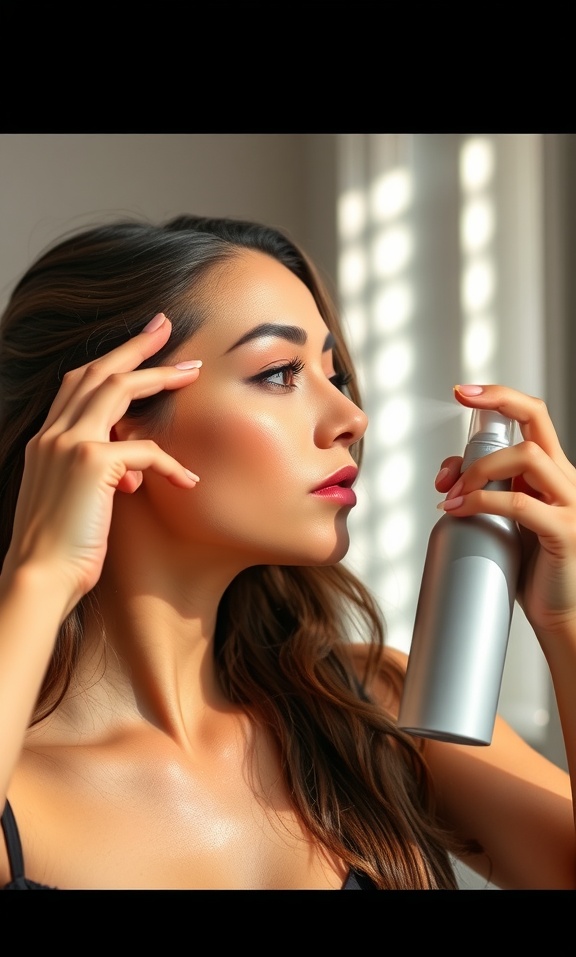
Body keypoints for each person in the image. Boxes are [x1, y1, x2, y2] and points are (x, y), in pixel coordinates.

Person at [0, 213, 573, 892]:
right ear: (114, 426)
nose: (351, 419)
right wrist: (39, 577)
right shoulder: (20, 781)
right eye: (278, 373)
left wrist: (565, 623)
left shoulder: (370, 711)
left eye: (335, 375)